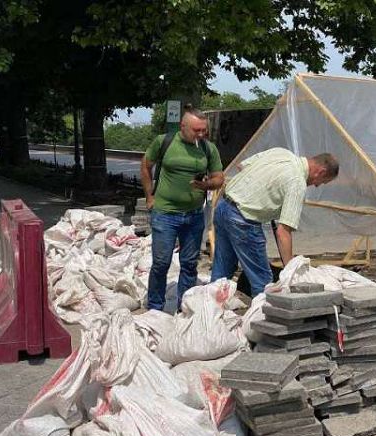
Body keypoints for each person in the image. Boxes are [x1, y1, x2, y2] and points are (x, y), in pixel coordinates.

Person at [211, 148, 339, 296]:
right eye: (321, 182)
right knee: (264, 283)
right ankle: (261, 316)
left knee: (222, 271)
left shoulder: (281, 153)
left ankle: (209, 310)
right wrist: (290, 270)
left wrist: (265, 193)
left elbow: (242, 166)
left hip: (224, 207)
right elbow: (283, 232)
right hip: (243, 220)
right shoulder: (297, 182)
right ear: (321, 172)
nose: (316, 185)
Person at [140, 106, 224, 311]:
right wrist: (149, 197)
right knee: (161, 263)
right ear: (182, 126)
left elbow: (219, 178)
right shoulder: (164, 142)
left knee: (189, 264)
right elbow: (145, 165)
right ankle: (155, 308)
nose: (201, 134)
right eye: (197, 130)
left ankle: (184, 307)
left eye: (204, 130)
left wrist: (206, 185)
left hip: (194, 216)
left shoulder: (207, 148)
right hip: (165, 214)